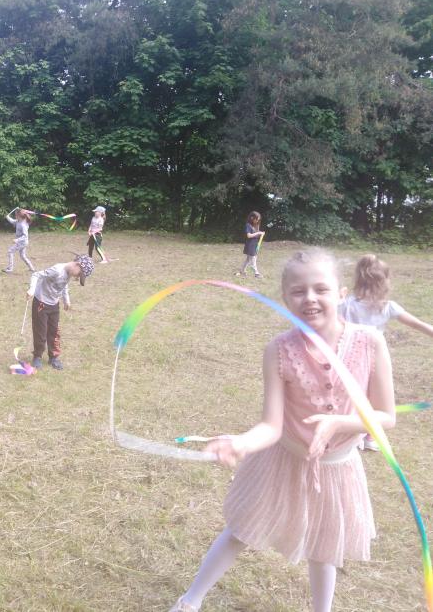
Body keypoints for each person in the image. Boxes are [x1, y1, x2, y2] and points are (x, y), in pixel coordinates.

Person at [169, 249, 395, 612]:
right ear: (285, 298)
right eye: (298, 291)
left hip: (337, 467)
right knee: (241, 529)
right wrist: (241, 442)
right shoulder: (278, 350)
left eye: (321, 289)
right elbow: (271, 426)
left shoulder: (370, 342)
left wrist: (341, 423)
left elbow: (386, 416)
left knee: (324, 549)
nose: (310, 298)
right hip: (283, 458)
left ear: (341, 294)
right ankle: (189, 602)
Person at [340, 254, 433, 452]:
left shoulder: (349, 304)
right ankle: (364, 435)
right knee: (372, 397)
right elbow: (417, 324)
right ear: (384, 282)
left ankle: (363, 435)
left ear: (358, 279)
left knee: (358, 396)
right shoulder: (374, 306)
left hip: (358, 358)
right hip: (367, 359)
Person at [26, 255, 94, 370]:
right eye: (79, 274)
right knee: (40, 331)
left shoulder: (69, 273)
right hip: (41, 303)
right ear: (77, 265)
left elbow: (64, 286)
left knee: (54, 332)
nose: (77, 277)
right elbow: (36, 275)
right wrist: (32, 289)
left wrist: (66, 300)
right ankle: (37, 356)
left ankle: (53, 357)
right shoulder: (57, 270)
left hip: (54, 305)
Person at [3, 207, 34, 273]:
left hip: (22, 242)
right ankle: (32, 268)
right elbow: (12, 221)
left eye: (16, 215)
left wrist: (17, 240)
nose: (15, 216)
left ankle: (10, 269)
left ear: (19, 216)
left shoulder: (23, 225)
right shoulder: (18, 221)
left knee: (10, 251)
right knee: (23, 256)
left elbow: (25, 236)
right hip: (23, 242)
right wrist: (7, 217)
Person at [235, 211, 265, 278]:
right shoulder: (248, 225)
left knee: (248, 259)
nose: (257, 221)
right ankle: (256, 273)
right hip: (250, 245)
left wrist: (261, 233)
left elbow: (256, 235)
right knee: (253, 259)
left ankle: (242, 271)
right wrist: (258, 233)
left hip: (254, 245)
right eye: (256, 219)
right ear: (252, 218)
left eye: (258, 220)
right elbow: (249, 236)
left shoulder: (256, 225)